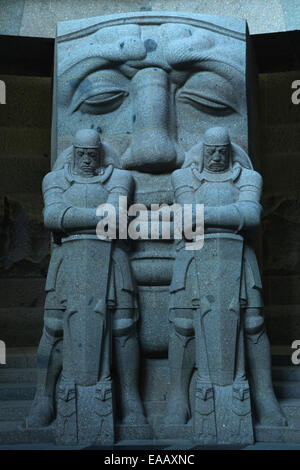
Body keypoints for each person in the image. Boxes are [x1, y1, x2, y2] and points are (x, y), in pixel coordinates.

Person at [166, 126, 286, 429]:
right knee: (183, 326)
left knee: (253, 324)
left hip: (239, 259)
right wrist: (232, 214)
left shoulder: (248, 177)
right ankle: (178, 397)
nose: (217, 156)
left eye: (222, 151)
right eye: (211, 151)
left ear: (230, 151)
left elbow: (251, 215)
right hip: (192, 258)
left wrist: (204, 214)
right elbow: (185, 216)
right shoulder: (183, 177)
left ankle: (264, 395)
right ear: (203, 151)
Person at [27, 129, 146, 429]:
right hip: (67, 260)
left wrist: (72, 216)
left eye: (92, 155)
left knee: (123, 327)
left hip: (113, 260)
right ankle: (44, 397)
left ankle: (131, 400)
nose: (86, 160)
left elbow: (116, 217)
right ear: (74, 152)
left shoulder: (120, 178)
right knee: (54, 328)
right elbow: (52, 217)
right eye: (81, 154)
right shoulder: (54, 180)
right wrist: (96, 217)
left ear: (100, 154)